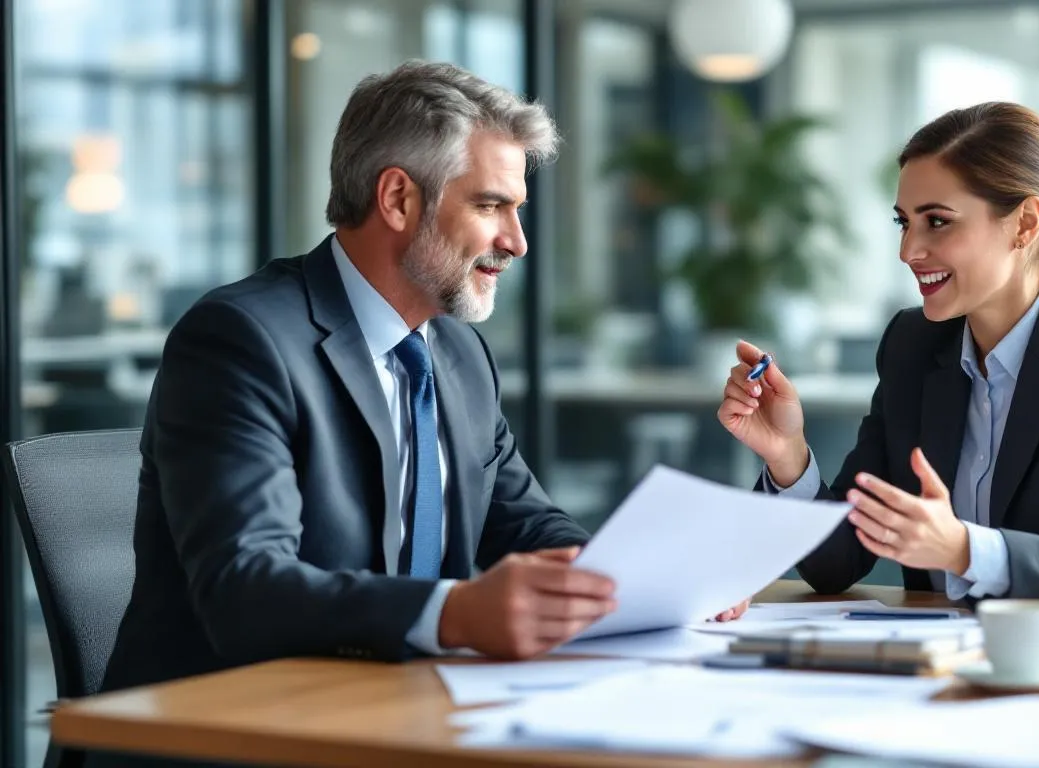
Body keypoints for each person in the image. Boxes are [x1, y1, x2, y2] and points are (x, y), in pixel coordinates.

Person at [103, 61, 744, 698]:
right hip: (234, 724)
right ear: (398, 199)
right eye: (491, 205)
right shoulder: (242, 340)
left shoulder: (459, 354)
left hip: (404, 708)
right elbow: (245, 588)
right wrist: (457, 612)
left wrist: (647, 583)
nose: (517, 242)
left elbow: (526, 525)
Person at [717, 102, 1039, 615]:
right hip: (956, 665)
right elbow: (839, 563)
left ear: (1025, 224)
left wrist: (964, 550)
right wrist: (788, 457)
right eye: (904, 222)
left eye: (937, 222)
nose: (908, 250)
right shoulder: (914, 345)